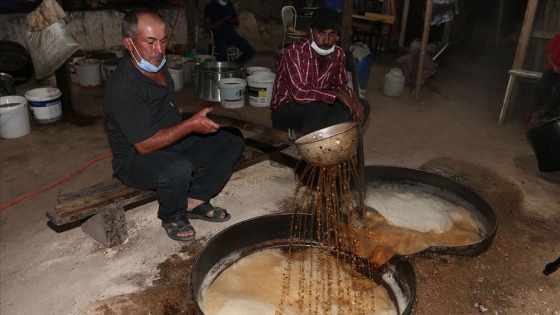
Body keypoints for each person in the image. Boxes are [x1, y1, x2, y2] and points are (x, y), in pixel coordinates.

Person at [103, 9, 245, 242]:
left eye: (163, 41)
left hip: (170, 141)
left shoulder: (156, 64)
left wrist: (179, 116)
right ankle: (172, 215)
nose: (159, 50)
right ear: (128, 43)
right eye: (150, 42)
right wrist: (189, 126)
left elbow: (165, 104)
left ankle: (195, 200)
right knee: (177, 168)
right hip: (135, 159)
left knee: (232, 139)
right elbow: (145, 145)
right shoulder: (124, 89)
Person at [270, 7, 370, 136]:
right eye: (321, 33)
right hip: (286, 109)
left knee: (362, 105)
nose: (326, 40)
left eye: (332, 34)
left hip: (318, 107)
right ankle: (311, 153)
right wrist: (337, 95)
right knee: (318, 106)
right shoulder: (295, 52)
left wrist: (354, 100)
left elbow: (342, 86)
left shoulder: (338, 54)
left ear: (337, 35)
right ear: (311, 32)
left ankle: (333, 144)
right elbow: (299, 94)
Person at [204, 0, 255, 65]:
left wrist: (233, 21)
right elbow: (207, 27)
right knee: (223, 57)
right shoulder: (210, 7)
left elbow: (236, 21)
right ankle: (225, 69)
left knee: (250, 51)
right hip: (219, 36)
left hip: (232, 34)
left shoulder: (229, 5)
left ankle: (233, 66)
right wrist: (223, 20)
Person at [531, 34, 560, 126]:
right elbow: (549, 56)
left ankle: (543, 111)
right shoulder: (558, 37)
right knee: (542, 86)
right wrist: (554, 66)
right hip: (552, 68)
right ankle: (541, 111)